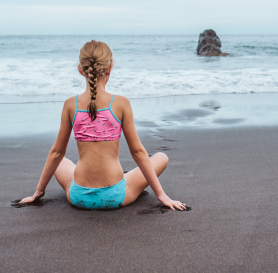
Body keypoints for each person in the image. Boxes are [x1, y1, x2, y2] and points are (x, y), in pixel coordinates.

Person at [20, 40, 186, 211]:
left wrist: (38, 192)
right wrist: (161, 195)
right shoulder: (121, 103)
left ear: (80, 70)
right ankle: (122, 176)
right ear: (109, 68)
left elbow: (56, 153)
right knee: (161, 158)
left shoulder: (71, 104)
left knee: (59, 160)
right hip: (116, 196)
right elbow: (137, 152)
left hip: (78, 197)